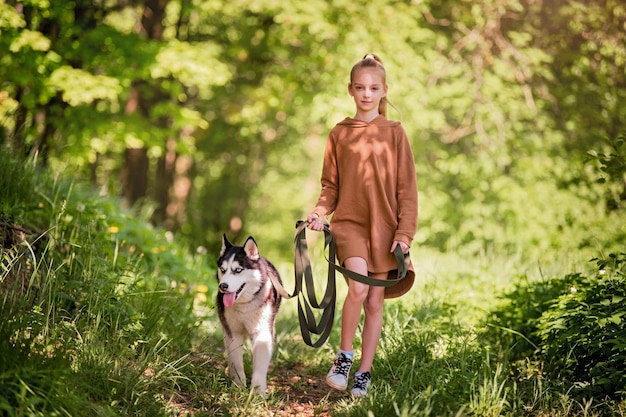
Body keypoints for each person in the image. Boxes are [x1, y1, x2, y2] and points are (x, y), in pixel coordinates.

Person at [307, 54, 418, 397]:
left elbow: (407, 191)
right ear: (350, 90)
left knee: (374, 302)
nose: (366, 94)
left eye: (373, 88)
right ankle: (344, 358)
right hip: (351, 223)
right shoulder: (339, 133)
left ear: (385, 90)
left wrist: (404, 233)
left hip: (385, 228)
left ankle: (364, 374)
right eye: (360, 87)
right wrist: (319, 212)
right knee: (357, 289)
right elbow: (331, 186)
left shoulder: (396, 133)